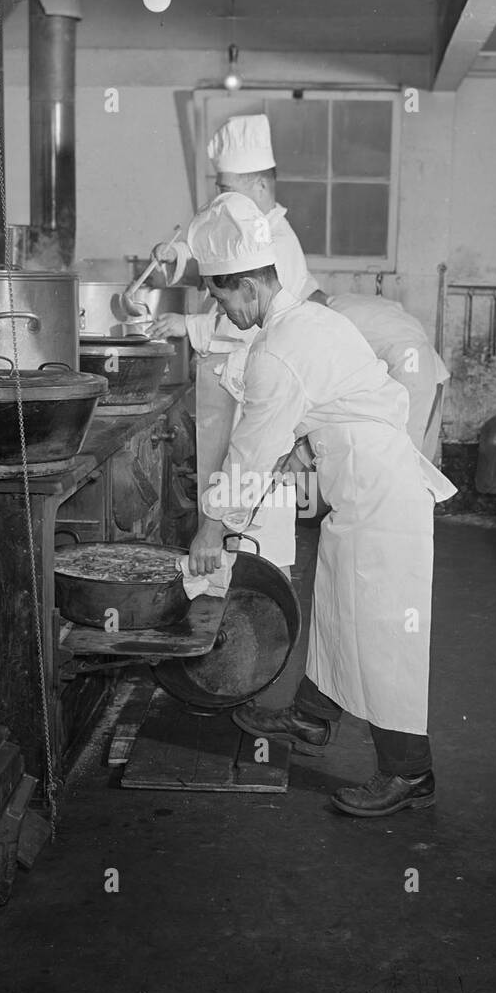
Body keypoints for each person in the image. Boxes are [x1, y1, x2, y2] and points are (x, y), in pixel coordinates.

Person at [185, 192, 457, 819]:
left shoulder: (279, 351)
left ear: (250, 283)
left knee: (384, 632)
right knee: (338, 609)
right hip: (360, 489)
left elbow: (247, 455)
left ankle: (408, 773)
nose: (219, 307)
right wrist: (308, 446)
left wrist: (209, 530)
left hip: (383, 500)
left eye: (220, 295)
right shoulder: (305, 324)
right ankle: (309, 719)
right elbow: (357, 399)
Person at [150, 114, 320, 574]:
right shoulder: (249, 234)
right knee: (234, 511)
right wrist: (176, 256)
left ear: (261, 187)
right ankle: (237, 592)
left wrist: (188, 326)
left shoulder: (277, 246)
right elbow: (215, 264)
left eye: (229, 188)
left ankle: (255, 595)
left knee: (257, 521)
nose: (220, 199)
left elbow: (247, 330)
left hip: (254, 396)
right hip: (236, 391)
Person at [311, 291, 451, 461]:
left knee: (408, 451)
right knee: (421, 449)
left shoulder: (329, 318)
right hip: (428, 362)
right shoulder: (348, 300)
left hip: (410, 366)